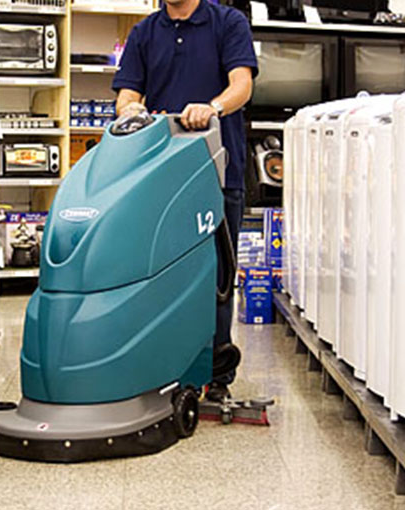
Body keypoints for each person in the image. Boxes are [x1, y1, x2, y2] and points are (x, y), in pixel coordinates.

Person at [112, 0, 258, 402]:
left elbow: (241, 86)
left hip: (218, 170)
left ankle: (215, 376)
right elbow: (126, 96)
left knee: (216, 277)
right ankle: (163, 369)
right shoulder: (144, 32)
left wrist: (212, 108)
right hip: (161, 175)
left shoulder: (228, 23)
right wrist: (131, 107)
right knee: (158, 272)